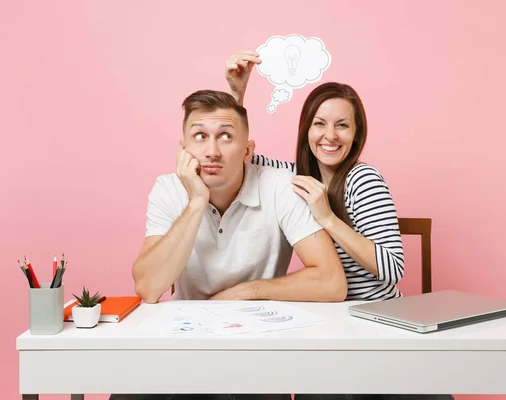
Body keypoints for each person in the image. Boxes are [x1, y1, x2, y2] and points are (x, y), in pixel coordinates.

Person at [224, 51, 454, 400]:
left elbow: (392, 269)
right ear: (306, 129)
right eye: (320, 123)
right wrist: (237, 95)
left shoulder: (363, 178)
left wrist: (326, 216)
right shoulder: (294, 178)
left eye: (342, 125)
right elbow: (239, 158)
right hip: (329, 325)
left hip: (381, 324)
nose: (330, 136)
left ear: (356, 134)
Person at [109, 89, 347, 400]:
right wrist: (196, 201)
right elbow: (149, 287)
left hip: (257, 345)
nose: (211, 151)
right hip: (183, 344)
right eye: (199, 136)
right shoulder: (168, 189)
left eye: (225, 136)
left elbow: (332, 283)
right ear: (183, 149)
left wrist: (246, 292)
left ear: (248, 150)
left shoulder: (280, 188)